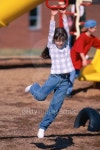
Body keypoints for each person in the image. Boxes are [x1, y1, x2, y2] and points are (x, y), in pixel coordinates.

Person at [25, 8, 74, 138]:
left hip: (65, 81)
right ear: (53, 40)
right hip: (54, 78)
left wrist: (63, 15)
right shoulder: (51, 46)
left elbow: (67, 31)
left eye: (62, 40)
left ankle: (43, 127)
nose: (60, 42)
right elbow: (51, 32)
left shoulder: (66, 46)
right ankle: (33, 87)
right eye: (58, 40)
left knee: (55, 107)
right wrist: (52, 17)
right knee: (40, 97)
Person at [66, 19, 100, 97]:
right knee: (72, 75)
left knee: (76, 75)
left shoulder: (92, 38)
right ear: (89, 28)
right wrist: (84, 59)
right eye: (94, 28)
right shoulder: (82, 37)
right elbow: (79, 49)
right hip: (74, 58)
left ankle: (63, 85)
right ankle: (67, 92)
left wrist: (83, 59)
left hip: (79, 59)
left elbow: (98, 43)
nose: (95, 29)